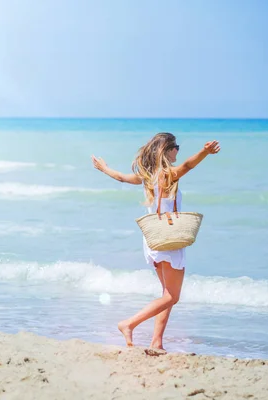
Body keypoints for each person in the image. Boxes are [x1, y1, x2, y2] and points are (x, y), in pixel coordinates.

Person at [91, 132, 220, 351]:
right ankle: (129, 324)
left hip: (153, 240)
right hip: (169, 239)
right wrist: (204, 152)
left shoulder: (148, 175)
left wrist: (104, 168)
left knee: (166, 295)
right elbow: (188, 165)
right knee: (172, 296)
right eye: (176, 146)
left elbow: (122, 177)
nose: (178, 150)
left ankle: (156, 342)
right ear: (168, 150)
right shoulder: (167, 175)